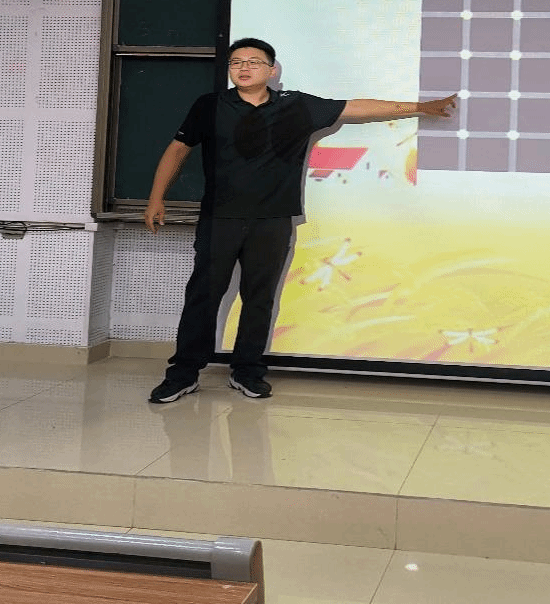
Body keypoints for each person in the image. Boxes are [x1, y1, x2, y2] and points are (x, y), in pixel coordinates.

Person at [146, 38, 456, 403]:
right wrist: (156, 197)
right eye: (236, 62)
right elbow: (178, 148)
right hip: (220, 218)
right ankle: (183, 374)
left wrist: (420, 107)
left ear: (271, 70)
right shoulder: (210, 105)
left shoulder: (296, 106)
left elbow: (355, 107)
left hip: (272, 221)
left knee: (259, 299)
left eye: (254, 62)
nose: (244, 68)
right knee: (203, 296)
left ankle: (247, 371)